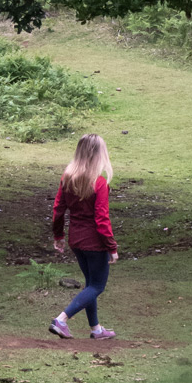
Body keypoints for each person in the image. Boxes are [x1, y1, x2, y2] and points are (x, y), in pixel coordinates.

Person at [48, 132, 119, 342]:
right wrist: (112, 247)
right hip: (95, 243)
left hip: (76, 240)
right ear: (98, 154)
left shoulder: (67, 177)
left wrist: (58, 235)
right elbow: (102, 219)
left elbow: (58, 209)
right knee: (97, 286)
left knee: (90, 284)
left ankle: (96, 329)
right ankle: (61, 319)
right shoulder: (99, 183)